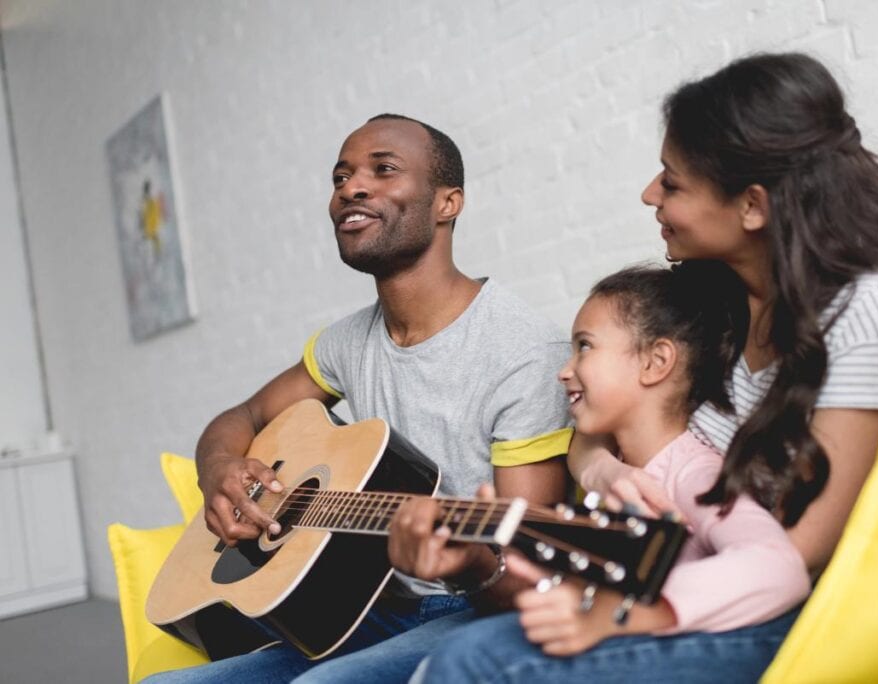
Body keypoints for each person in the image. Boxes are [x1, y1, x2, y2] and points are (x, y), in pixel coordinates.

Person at [417, 51, 878, 682]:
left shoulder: (872, 306)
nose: (649, 195)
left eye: (673, 182)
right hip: (687, 575)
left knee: (476, 660)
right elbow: (595, 431)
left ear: (752, 206)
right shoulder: (716, 294)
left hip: (794, 610)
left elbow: (801, 553)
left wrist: (629, 613)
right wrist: (603, 469)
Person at [144, 113, 572, 683]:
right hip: (368, 607)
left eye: (383, 169)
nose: (352, 187)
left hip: (474, 611)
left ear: (448, 203)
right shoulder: (346, 343)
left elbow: (522, 569)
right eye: (340, 176)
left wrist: (462, 562)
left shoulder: (524, 352)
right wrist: (219, 469)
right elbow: (242, 416)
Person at [419, 260, 812, 682]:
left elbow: (778, 564)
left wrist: (639, 612)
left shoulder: (693, 472)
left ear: (655, 362)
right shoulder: (610, 467)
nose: (563, 370)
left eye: (584, 347)